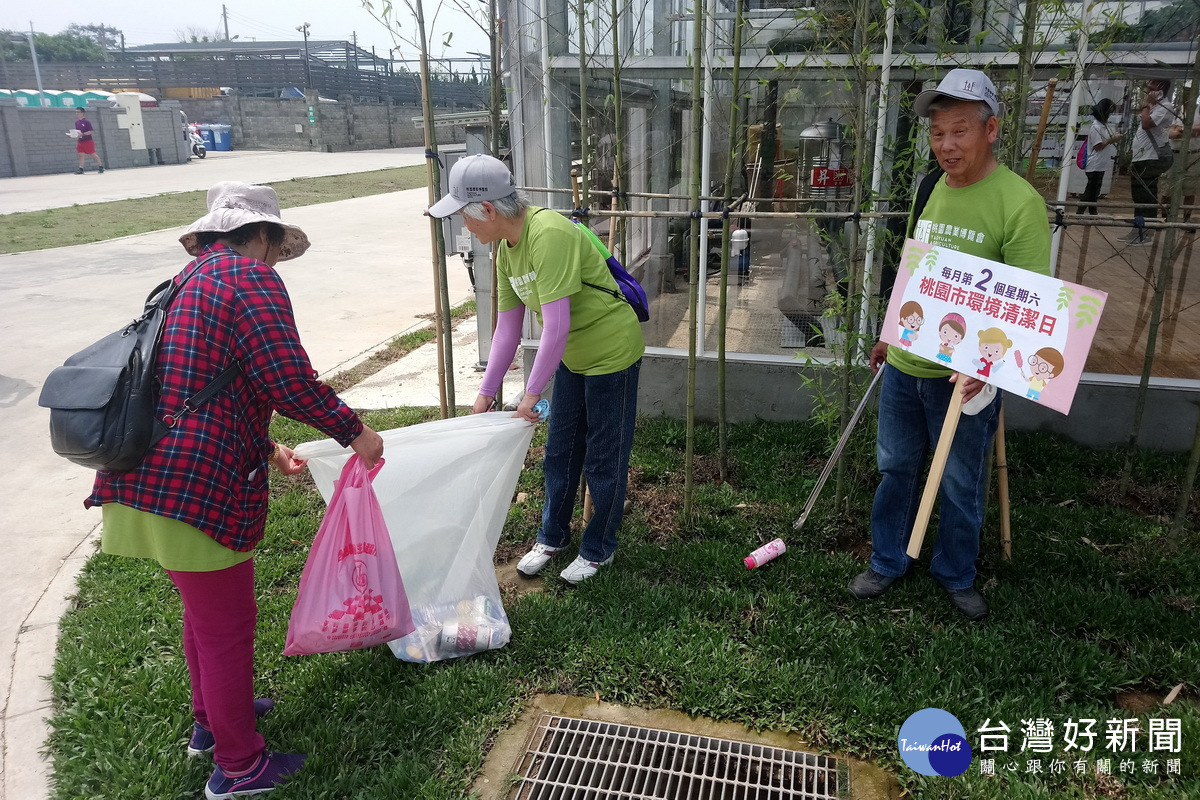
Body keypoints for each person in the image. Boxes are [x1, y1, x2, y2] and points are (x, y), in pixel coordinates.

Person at [85, 182, 384, 799]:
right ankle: (239, 766)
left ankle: (210, 724)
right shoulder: (251, 280)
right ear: (265, 235)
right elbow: (286, 378)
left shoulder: (189, 278)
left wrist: (267, 446)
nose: (276, 260)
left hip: (144, 475)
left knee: (204, 618)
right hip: (195, 487)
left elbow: (205, 381)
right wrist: (356, 432)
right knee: (226, 627)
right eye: (276, 246)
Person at [849, 69, 1051, 621]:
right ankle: (887, 559)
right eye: (938, 134)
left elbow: (1033, 304)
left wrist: (989, 370)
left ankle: (956, 572)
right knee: (895, 467)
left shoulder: (1019, 203)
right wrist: (890, 331)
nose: (946, 146)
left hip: (964, 376)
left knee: (962, 480)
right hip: (908, 363)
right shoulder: (928, 187)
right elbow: (915, 267)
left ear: (991, 130)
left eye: (959, 131)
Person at [427, 154, 645, 585]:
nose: (464, 228)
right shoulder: (506, 251)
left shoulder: (548, 234)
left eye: (463, 218)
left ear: (487, 210)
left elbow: (556, 325)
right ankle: (552, 536)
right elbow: (507, 329)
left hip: (611, 353)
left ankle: (599, 549)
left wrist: (530, 395)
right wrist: (484, 396)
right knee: (560, 452)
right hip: (571, 358)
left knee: (604, 457)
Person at [1123, 78, 1175, 246]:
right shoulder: (1154, 107)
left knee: (1146, 196)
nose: (1147, 92)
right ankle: (1137, 229)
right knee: (1138, 196)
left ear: (1160, 90)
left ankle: (1146, 233)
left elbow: (1147, 124)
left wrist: (1146, 105)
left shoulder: (1166, 107)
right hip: (1141, 158)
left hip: (1151, 159)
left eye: (1150, 88)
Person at [1076, 99, 1119, 215]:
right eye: (1109, 113)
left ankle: (1092, 212)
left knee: (1094, 191)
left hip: (1100, 164)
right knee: (1090, 190)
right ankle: (1080, 213)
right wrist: (1111, 140)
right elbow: (1098, 146)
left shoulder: (1103, 126)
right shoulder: (1096, 127)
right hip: (1094, 163)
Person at [73, 108, 105, 174]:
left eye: (78, 112)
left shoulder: (86, 122)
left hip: (88, 141)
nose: (77, 114)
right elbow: (78, 131)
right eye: (76, 112)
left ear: (83, 113)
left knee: (92, 154)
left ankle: (101, 166)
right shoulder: (77, 122)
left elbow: (91, 131)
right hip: (80, 141)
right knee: (81, 155)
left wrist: (83, 134)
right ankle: (81, 169)